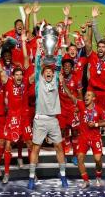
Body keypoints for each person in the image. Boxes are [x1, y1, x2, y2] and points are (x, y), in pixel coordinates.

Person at [0, 29, 33, 184]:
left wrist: (43, 61)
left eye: (20, 75)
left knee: (30, 144)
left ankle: (32, 173)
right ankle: (7, 173)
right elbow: (1, 70)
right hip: (12, 118)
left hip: (25, 118)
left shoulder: (26, 82)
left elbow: (27, 62)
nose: (18, 76)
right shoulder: (8, 82)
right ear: (13, 76)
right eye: (16, 74)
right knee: (8, 145)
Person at [28, 38, 67, 190]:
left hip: (53, 121)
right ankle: (31, 178)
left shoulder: (56, 80)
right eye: (47, 72)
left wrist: (58, 48)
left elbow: (59, 63)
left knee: (59, 147)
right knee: (35, 148)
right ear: (43, 74)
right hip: (40, 120)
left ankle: (63, 176)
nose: (49, 73)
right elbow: (38, 65)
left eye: (51, 72)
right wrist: (38, 48)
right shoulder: (39, 83)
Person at [63, 86, 105, 189]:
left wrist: (96, 124)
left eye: (88, 95)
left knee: (97, 160)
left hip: (95, 138)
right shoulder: (81, 105)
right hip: (83, 137)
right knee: (80, 158)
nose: (85, 96)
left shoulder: (99, 110)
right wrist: (63, 83)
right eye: (85, 95)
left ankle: (98, 177)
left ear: (93, 98)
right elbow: (70, 95)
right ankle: (86, 180)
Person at [85, 7, 105, 150]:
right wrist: (90, 27)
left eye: (103, 46)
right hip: (92, 90)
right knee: (89, 113)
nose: (101, 48)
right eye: (99, 46)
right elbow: (88, 44)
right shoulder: (93, 56)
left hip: (104, 92)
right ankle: (90, 139)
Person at [58, 58, 83, 165]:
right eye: (65, 66)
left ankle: (75, 156)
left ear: (72, 68)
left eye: (69, 66)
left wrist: (78, 107)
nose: (67, 67)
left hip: (73, 110)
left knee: (75, 133)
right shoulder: (58, 79)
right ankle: (63, 156)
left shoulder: (77, 79)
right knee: (62, 133)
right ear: (63, 68)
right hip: (62, 110)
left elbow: (80, 95)